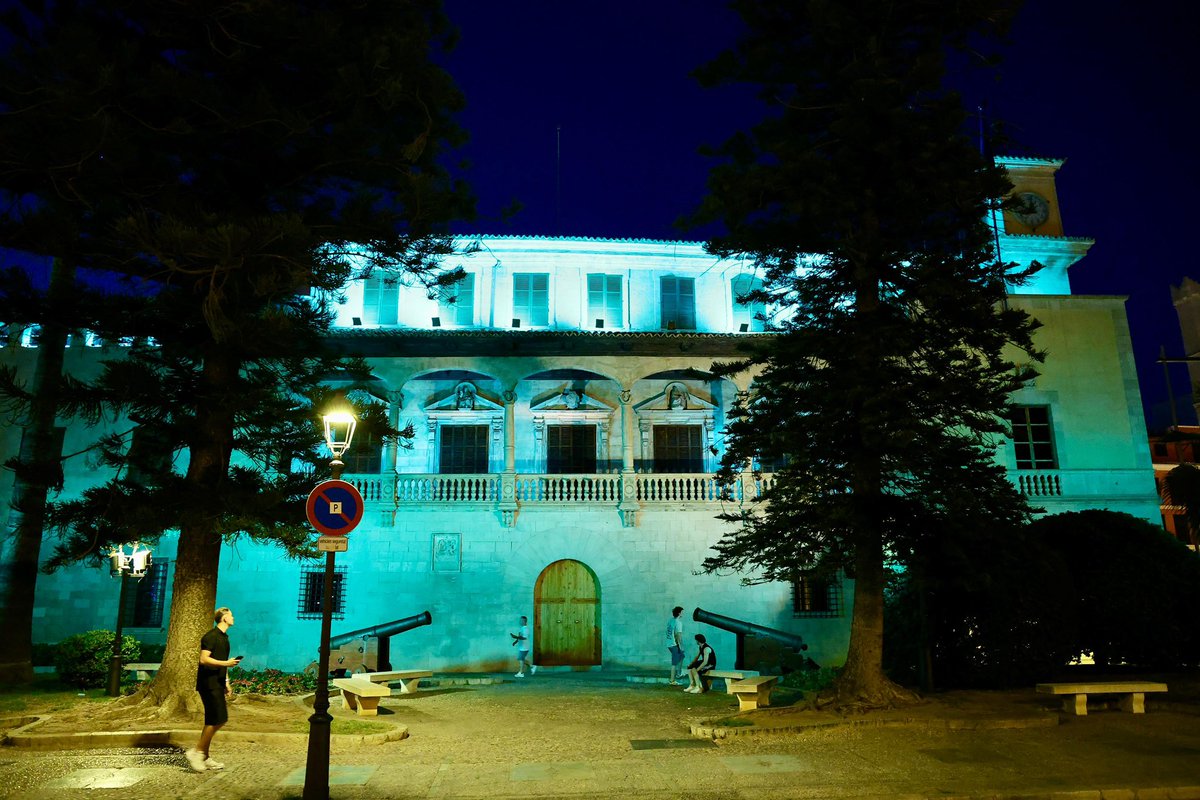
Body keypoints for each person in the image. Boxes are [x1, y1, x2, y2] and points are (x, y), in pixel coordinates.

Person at [185, 607, 242, 773]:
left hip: (217, 682)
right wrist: (227, 664)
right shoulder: (210, 636)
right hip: (208, 683)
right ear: (223, 618)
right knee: (219, 719)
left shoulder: (224, 638)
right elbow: (203, 659)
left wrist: (226, 681)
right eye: (231, 615)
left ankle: (205, 756)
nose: (233, 617)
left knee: (212, 720)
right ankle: (197, 752)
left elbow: (223, 661)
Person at [665, 606, 685, 685]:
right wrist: (681, 646)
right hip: (674, 644)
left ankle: (679, 673)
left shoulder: (671, 620)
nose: (683, 613)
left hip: (669, 643)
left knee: (682, 656)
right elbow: (678, 635)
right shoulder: (678, 623)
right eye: (682, 612)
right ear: (679, 613)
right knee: (674, 662)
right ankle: (672, 680)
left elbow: (668, 632)